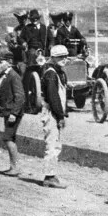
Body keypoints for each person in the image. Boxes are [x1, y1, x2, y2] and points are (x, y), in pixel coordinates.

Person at [0, 50, 25, 176]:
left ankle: (15, 168)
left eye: (0, 62)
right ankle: (13, 167)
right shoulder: (5, 76)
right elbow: (4, 97)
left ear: (9, 62)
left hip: (13, 113)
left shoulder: (14, 76)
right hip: (7, 111)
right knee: (10, 138)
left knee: (8, 138)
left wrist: (14, 113)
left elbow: (20, 97)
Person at [40, 44, 70, 188]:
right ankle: (49, 176)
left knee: (55, 143)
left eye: (65, 56)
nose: (64, 59)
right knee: (52, 144)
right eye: (60, 57)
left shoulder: (57, 72)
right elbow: (53, 97)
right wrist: (61, 115)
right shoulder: (51, 74)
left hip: (54, 112)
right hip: (52, 112)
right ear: (52, 58)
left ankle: (51, 174)